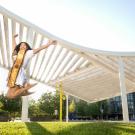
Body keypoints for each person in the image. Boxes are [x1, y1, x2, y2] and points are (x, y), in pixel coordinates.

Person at [6, 34, 57, 99]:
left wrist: (49, 44)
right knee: (9, 95)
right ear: (19, 47)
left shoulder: (28, 53)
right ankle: (25, 90)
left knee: (10, 95)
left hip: (18, 73)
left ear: (27, 47)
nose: (22, 45)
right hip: (14, 72)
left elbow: (39, 49)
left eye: (24, 45)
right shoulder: (16, 53)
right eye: (21, 45)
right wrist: (13, 38)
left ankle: (26, 89)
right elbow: (14, 46)